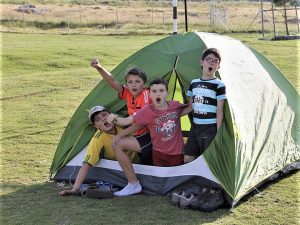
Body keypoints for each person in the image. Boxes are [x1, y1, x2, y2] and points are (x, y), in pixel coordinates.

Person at [109, 78, 192, 197]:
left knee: (175, 182)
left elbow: (188, 108)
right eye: (154, 91)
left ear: (167, 93)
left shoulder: (174, 105)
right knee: (161, 186)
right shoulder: (147, 111)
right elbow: (127, 120)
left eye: (161, 90)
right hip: (159, 154)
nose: (158, 94)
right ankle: (134, 184)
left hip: (177, 153)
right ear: (150, 94)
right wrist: (115, 119)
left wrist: (193, 92)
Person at [59, 105, 136, 196]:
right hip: (127, 167)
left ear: (111, 115)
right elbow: (86, 164)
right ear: (96, 126)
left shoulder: (122, 123)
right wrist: (75, 188)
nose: (103, 119)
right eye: (97, 119)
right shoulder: (98, 139)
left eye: (104, 115)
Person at [90, 59, 152, 165]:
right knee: (144, 160)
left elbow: (142, 122)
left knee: (149, 159)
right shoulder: (128, 93)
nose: (134, 85)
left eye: (137, 81)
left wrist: (120, 133)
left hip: (149, 134)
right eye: (130, 82)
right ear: (126, 84)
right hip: (136, 134)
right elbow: (111, 80)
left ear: (144, 83)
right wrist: (99, 67)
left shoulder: (146, 95)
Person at [183, 48, 226, 164]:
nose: (212, 62)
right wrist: (173, 114)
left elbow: (219, 111)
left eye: (215, 61)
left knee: (207, 159)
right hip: (195, 126)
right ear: (202, 63)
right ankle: (192, 181)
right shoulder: (194, 83)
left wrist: (218, 132)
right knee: (187, 158)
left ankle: (205, 181)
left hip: (210, 128)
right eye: (209, 60)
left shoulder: (219, 85)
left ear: (218, 66)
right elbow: (190, 106)